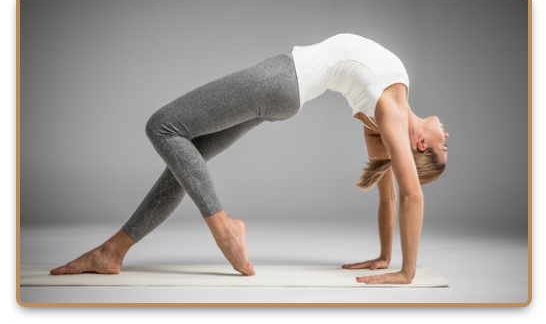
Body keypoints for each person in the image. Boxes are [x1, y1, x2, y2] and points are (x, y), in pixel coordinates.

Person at [50, 33, 448, 285]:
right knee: (188, 161)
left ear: (420, 146)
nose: (447, 136)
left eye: (444, 146)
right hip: (282, 95)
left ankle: (224, 228)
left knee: (163, 126)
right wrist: (384, 256)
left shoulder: (392, 116)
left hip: (279, 80)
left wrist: (406, 272)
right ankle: (112, 252)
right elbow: (388, 196)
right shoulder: (386, 113)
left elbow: (410, 195)